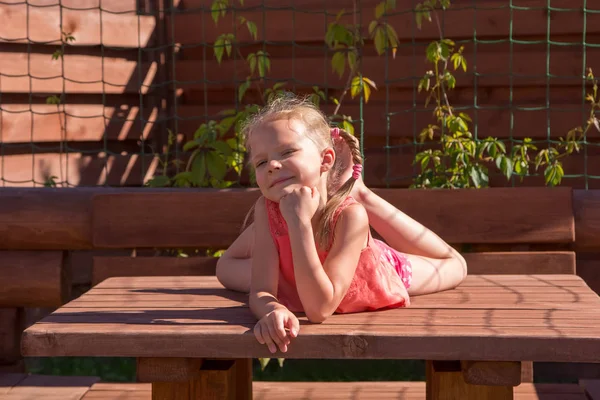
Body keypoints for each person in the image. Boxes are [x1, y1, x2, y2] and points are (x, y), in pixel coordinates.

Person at [216, 95, 467, 354]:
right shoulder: (266, 209)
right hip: (305, 278)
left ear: (326, 160)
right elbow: (261, 292)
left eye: (288, 151)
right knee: (225, 268)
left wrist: (299, 222)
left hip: (373, 273)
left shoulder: (350, 217)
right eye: (261, 162)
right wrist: (273, 309)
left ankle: (361, 193)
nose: (272, 166)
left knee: (456, 266)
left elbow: (318, 310)